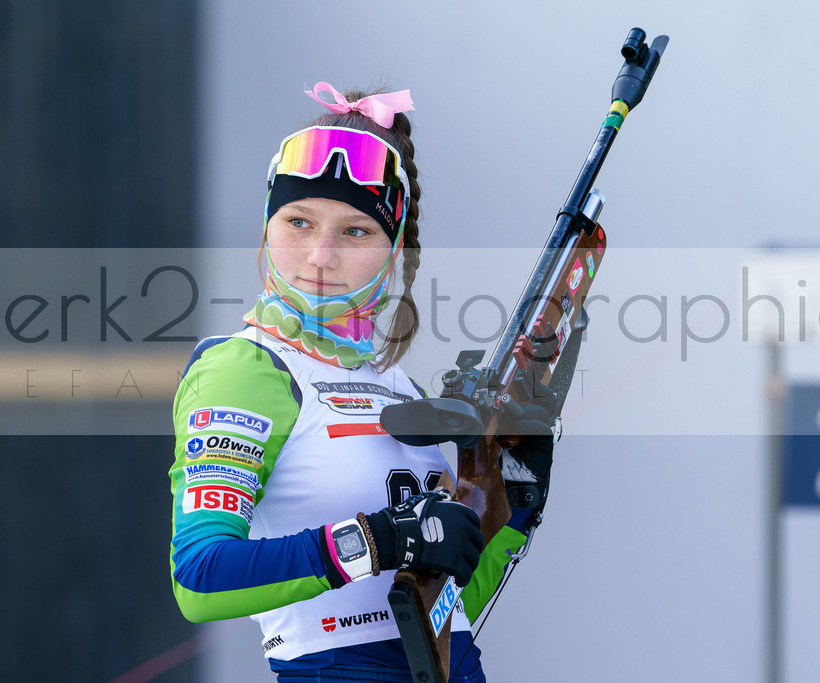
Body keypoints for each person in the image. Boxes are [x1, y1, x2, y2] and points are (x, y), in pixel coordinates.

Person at [169, 82, 555, 682]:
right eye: (298, 221)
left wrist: (514, 503)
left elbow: (443, 612)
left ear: (393, 249)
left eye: (355, 232)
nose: (320, 256)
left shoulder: (392, 381)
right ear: (267, 227)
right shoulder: (244, 370)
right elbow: (199, 577)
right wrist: (379, 539)